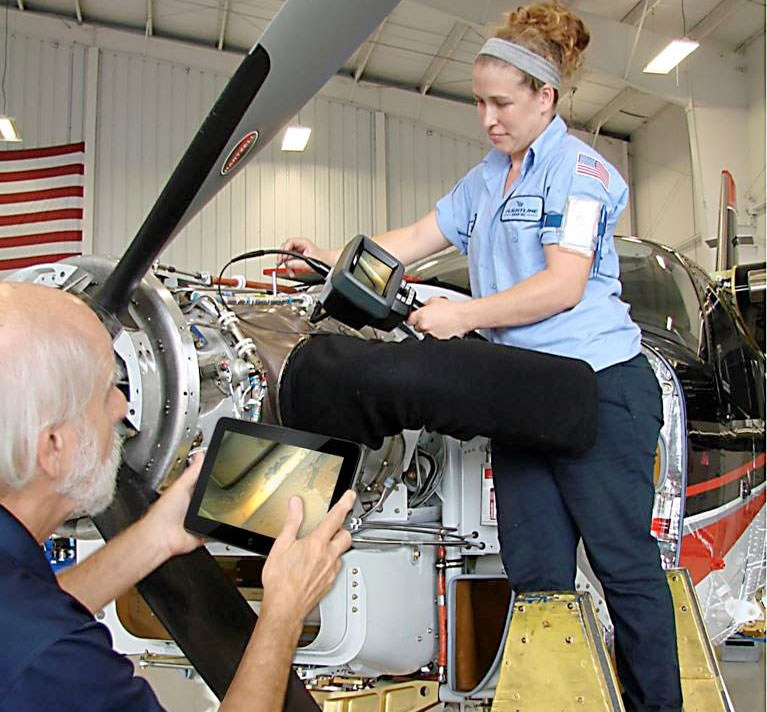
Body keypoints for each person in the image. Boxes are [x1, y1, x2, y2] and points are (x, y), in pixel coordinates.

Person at [281, 3, 682, 711]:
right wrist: (331, 258)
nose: (489, 118)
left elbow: (561, 284)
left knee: (622, 568)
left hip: (597, 389)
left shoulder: (580, 172)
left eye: (502, 102)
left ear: (544, 97)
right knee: (533, 571)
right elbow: (409, 238)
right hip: (522, 394)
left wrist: (460, 314)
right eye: (479, 102)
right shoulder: (486, 178)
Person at [0, 281, 355, 712]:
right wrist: (285, 609)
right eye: (108, 388)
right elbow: (39, 641)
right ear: (52, 447)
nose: (120, 408)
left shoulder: (27, 620)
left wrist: (155, 536)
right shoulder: (57, 662)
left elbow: (28, 613)